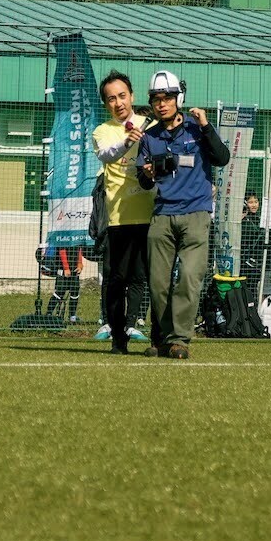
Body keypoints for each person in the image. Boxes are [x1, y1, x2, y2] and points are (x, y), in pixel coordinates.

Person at [134, 70, 231, 360]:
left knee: (189, 277)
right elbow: (144, 181)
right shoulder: (149, 137)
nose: (161, 104)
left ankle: (180, 339)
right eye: (156, 99)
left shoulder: (196, 129)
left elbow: (222, 158)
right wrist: (148, 174)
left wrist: (207, 125)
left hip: (196, 214)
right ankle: (162, 339)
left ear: (179, 98)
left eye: (167, 98)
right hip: (162, 214)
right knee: (158, 282)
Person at [91, 71, 153, 354]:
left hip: (155, 216)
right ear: (106, 104)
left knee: (157, 280)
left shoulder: (151, 123)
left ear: (132, 96)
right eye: (111, 99)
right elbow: (107, 154)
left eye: (122, 96)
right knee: (117, 280)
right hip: (119, 218)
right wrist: (128, 141)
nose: (118, 103)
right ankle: (118, 338)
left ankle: (162, 338)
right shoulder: (102, 131)